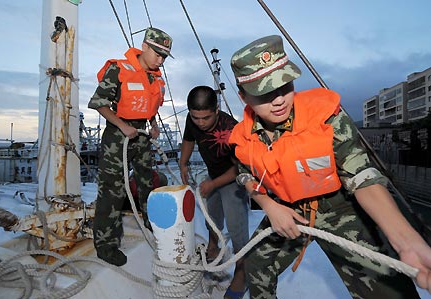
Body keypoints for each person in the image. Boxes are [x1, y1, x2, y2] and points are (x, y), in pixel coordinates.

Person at [228, 35, 431, 299]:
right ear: (243, 96)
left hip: (341, 207)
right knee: (256, 264)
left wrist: (406, 241)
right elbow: (244, 173)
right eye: (264, 93)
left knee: (387, 290)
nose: (278, 100)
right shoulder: (241, 136)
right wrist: (269, 206)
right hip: (289, 210)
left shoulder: (326, 118)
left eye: (284, 86)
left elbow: (361, 175)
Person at [88, 27, 173, 266]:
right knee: (112, 190)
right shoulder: (119, 69)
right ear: (145, 47)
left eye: (164, 56)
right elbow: (99, 104)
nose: (161, 59)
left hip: (143, 134)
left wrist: (154, 124)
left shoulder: (155, 77)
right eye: (157, 53)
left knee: (148, 181)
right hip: (118, 135)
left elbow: (151, 105)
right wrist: (122, 126)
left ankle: (150, 222)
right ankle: (106, 245)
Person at [179, 85, 249, 299]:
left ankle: (242, 271)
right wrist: (183, 163)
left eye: (206, 118)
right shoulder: (193, 120)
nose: (200, 123)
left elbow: (239, 168)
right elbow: (189, 139)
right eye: (196, 117)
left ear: (216, 110)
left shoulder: (231, 129)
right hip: (213, 176)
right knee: (212, 215)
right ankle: (213, 245)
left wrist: (213, 183)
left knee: (236, 227)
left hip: (233, 179)